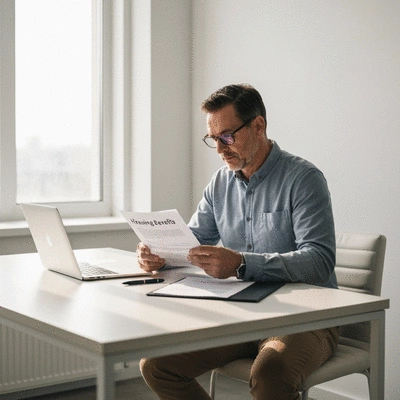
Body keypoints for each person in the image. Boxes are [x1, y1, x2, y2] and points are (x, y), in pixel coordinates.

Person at [137, 84, 339, 400]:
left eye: (227, 137)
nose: (219, 149)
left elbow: (319, 261)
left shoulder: (303, 179)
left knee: (270, 373)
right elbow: (191, 244)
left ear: (258, 126)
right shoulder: (220, 183)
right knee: (157, 365)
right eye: (212, 139)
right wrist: (160, 255)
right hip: (242, 316)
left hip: (305, 318)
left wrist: (242, 263)